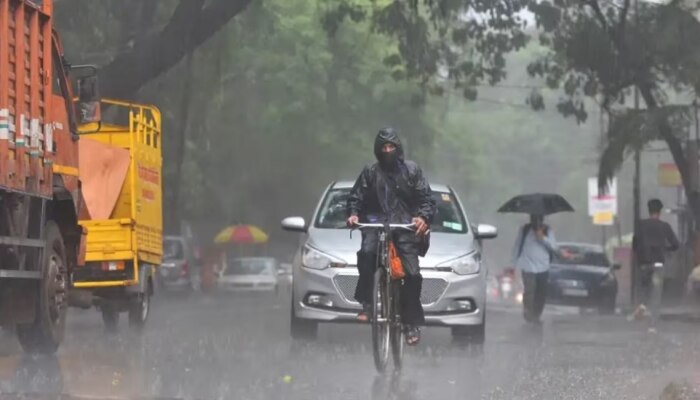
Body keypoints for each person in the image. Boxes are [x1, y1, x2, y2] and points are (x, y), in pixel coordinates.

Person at [346, 128, 436, 346]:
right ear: (378, 150)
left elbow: (426, 198)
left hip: (405, 226)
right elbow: (355, 197)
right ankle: (368, 304)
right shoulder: (370, 172)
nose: (388, 151)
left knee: (412, 275)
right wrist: (353, 214)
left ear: (398, 148)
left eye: (391, 147)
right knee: (367, 254)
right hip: (375, 224)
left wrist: (422, 217)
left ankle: (410, 323)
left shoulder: (412, 170)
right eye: (384, 148)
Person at [631, 199, 679, 330]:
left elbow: (634, 244)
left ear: (649, 210)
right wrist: (665, 249)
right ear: (660, 211)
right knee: (656, 295)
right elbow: (676, 244)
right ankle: (652, 325)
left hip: (644, 264)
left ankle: (642, 305)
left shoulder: (641, 225)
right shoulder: (664, 226)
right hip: (658, 264)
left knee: (644, 288)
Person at [511, 214, 566, 323]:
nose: (536, 221)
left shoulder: (547, 230)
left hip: (543, 267)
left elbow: (553, 247)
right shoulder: (525, 230)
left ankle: (536, 314)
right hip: (527, 266)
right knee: (529, 291)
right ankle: (528, 313)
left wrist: (542, 237)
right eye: (534, 219)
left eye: (538, 219)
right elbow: (518, 245)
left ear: (542, 219)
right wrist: (514, 262)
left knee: (541, 292)